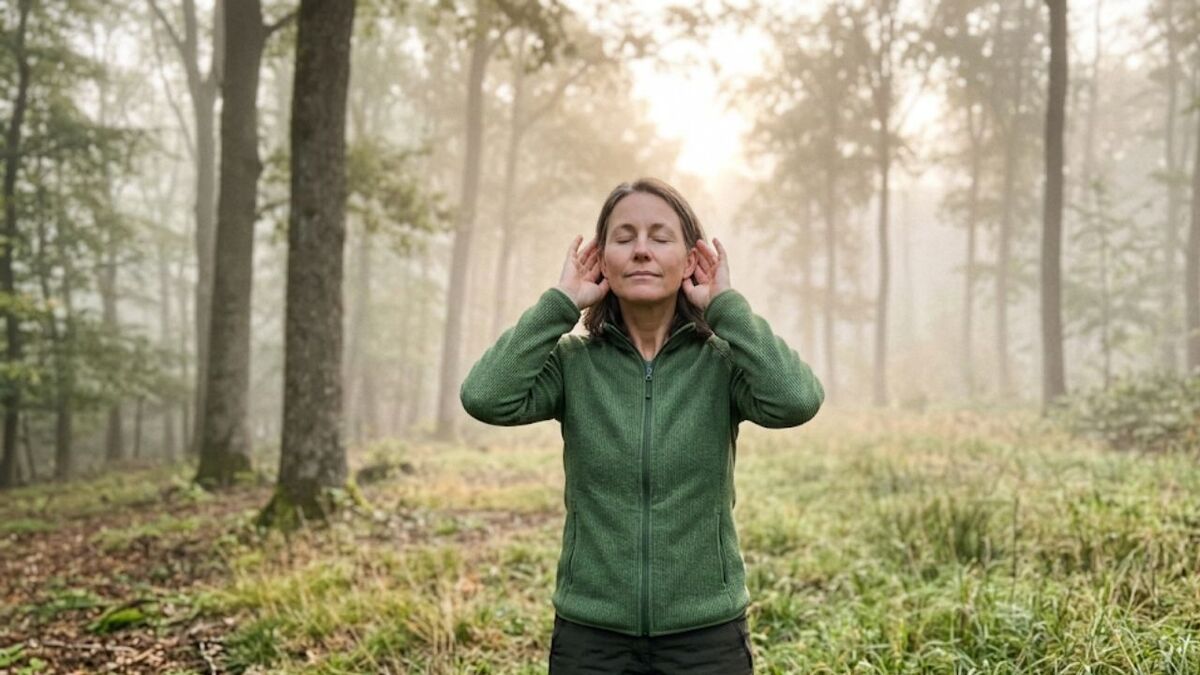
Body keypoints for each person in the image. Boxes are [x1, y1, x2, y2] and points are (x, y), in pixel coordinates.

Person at [460, 177, 824, 674]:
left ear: (690, 259)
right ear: (602, 258)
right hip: (592, 638)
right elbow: (485, 396)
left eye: (660, 236)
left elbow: (797, 400)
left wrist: (725, 306)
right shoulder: (573, 365)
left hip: (706, 637)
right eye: (624, 237)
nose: (642, 251)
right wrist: (561, 302)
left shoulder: (720, 363)